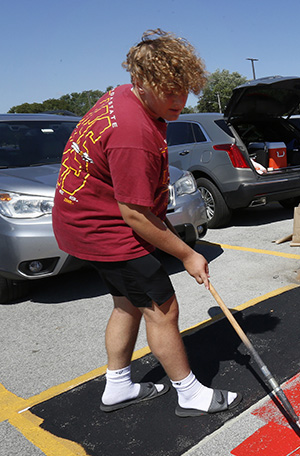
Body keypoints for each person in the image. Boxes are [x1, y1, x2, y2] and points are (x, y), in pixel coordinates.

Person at [52, 29, 241, 417]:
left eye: (183, 90)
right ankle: (189, 394)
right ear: (141, 81)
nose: (179, 101)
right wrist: (189, 254)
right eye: (168, 91)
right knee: (162, 308)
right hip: (105, 228)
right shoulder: (131, 130)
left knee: (128, 303)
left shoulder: (123, 96)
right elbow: (135, 215)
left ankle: (118, 387)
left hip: (86, 220)